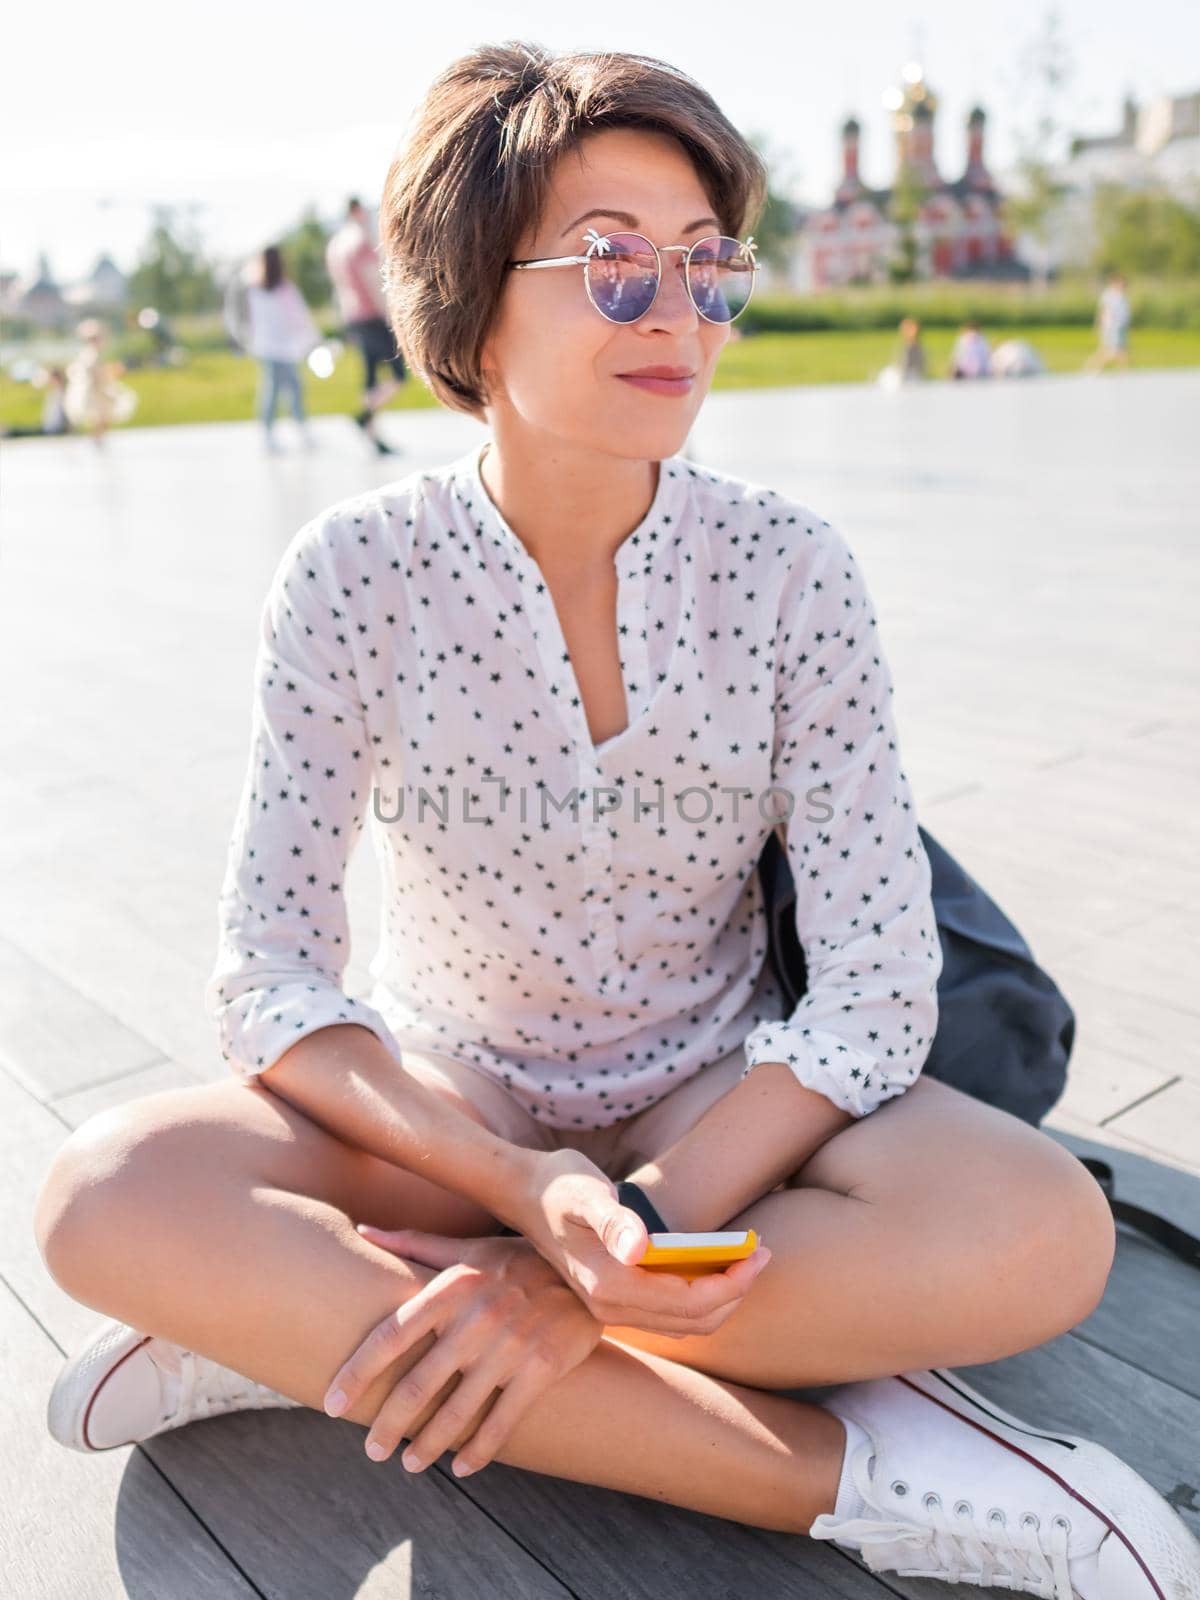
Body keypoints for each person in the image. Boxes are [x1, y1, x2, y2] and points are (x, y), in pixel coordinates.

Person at [37, 41, 1197, 1598]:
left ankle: (312, 1338)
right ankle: (854, 1472)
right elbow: (269, 975)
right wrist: (529, 1202)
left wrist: (614, 1245)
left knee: (1047, 1230)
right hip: (455, 1114)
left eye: (708, 268)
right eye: (611, 265)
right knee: (101, 1201)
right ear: (465, 292)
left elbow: (871, 986)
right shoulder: (354, 575)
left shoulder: (793, 573)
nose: (680, 317)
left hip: (716, 1110)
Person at [325, 196, 405, 455]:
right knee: (398, 375)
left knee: (370, 376)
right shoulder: (360, 243)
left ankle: (372, 433)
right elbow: (373, 283)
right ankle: (365, 415)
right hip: (371, 315)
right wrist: (390, 315)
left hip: (352, 316)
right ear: (357, 211)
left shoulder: (335, 245)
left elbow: (338, 287)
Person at [227, 244, 320, 453]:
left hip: (275, 348)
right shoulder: (262, 289)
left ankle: (284, 429)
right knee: (282, 389)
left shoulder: (268, 290)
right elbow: (300, 318)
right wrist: (313, 340)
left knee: (281, 389)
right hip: (273, 348)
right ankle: (282, 430)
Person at [62, 319, 137, 445]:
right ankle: (95, 441)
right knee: (102, 416)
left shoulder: (92, 353)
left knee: (103, 417)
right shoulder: (90, 354)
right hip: (95, 390)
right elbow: (92, 373)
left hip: (98, 389)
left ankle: (96, 440)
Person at [1086, 271, 1132, 372]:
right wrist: (1101, 326)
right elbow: (1103, 311)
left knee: (1122, 350)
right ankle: (1091, 366)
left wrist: (1127, 325)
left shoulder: (1122, 296)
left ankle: (1124, 371)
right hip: (1111, 327)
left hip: (1120, 327)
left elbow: (1124, 314)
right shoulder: (1109, 295)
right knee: (1112, 351)